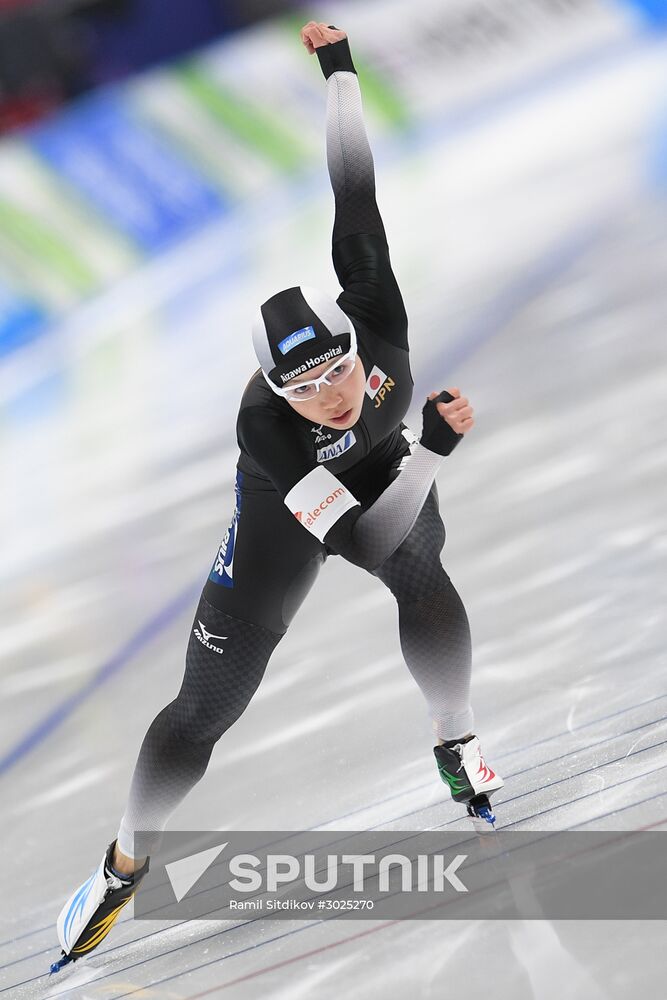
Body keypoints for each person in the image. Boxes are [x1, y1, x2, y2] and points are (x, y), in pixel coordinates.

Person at [51, 21, 503, 972]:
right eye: (304, 390)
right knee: (204, 711)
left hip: (381, 469)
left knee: (423, 573)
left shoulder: (373, 306)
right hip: (285, 524)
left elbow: (353, 185)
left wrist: (338, 72)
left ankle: (453, 740)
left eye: (336, 372)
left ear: (351, 338)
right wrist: (432, 450)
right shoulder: (267, 427)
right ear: (276, 392)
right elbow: (362, 536)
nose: (330, 394)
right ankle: (127, 860)